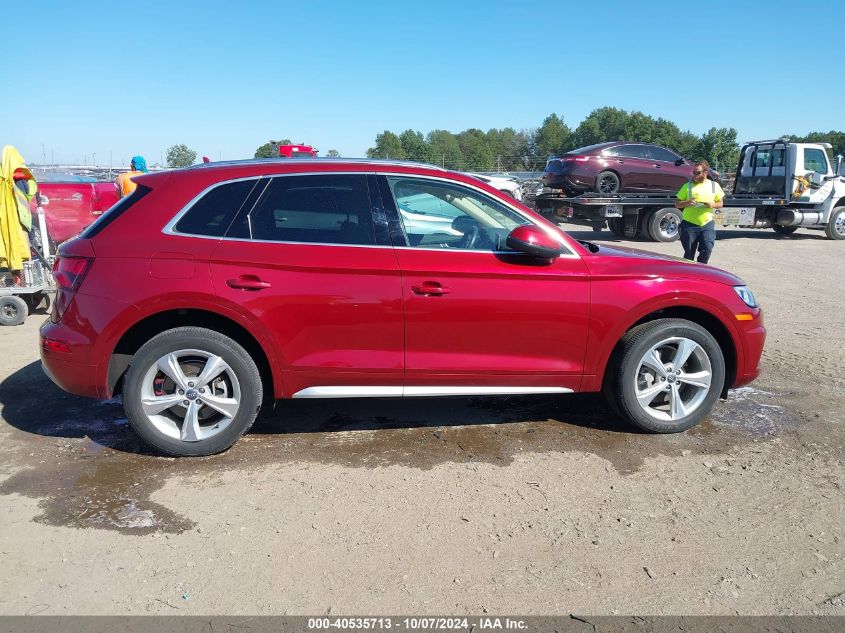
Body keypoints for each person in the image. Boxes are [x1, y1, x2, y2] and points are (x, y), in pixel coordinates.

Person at [675, 160, 724, 264]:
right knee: (689, 254)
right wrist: (687, 202)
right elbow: (677, 204)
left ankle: (701, 268)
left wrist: (712, 205)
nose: (694, 175)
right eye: (693, 172)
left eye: (697, 173)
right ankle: (688, 274)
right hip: (689, 224)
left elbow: (720, 203)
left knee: (707, 249)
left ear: (705, 173)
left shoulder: (714, 186)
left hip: (707, 224)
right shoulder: (687, 186)